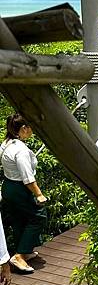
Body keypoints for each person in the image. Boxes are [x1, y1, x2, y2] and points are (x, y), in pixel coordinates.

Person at [0, 114, 47, 273]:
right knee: (39, 216)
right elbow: (28, 178)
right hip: (20, 188)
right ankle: (19, 255)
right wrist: (39, 194)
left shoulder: (6, 144)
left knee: (19, 219)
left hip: (8, 186)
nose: (32, 130)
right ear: (23, 129)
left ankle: (24, 252)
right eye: (30, 126)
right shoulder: (21, 150)